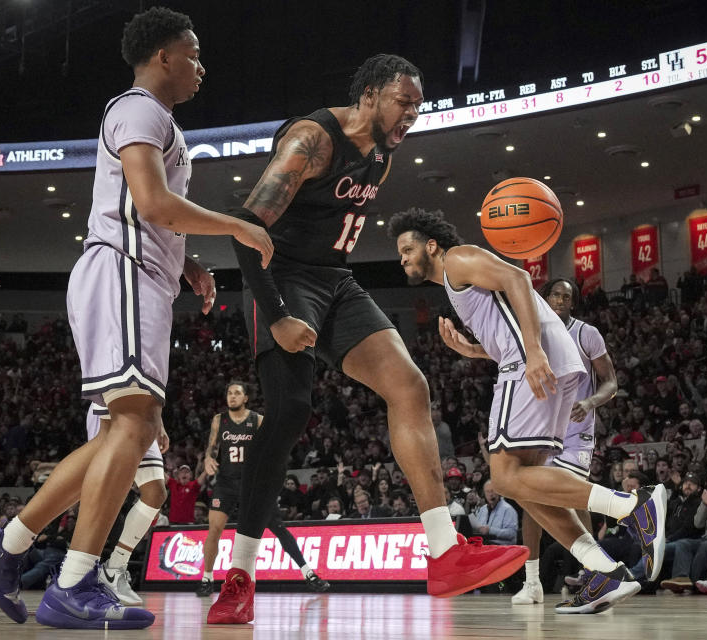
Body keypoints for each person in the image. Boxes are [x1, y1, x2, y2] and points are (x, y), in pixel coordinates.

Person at [0, 8, 272, 630]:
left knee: (117, 434)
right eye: (195, 54)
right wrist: (238, 224)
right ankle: (74, 579)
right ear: (164, 55)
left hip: (139, 275)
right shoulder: (138, 108)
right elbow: (153, 203)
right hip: (123, 273)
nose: (202, 66)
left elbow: (146, 207)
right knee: (133, 422)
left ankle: (6, 545)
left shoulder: (156, 120)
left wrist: (187, 263)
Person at [208, 54, 527, 625]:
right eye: (405, 102)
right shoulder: (312, 139)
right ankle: (239, 576)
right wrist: (277, 313)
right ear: (372, 94)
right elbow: (247, 230)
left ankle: (444, 551)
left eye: (418, 107)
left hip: (335, 280)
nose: (413, 115)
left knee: (410, 385)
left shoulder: (383, 152)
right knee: (289, 413)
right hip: (280, 276)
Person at [388, 208, 668, 615]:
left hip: (531, 364)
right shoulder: (455, 282)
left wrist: (534, 351)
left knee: (504, 477)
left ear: (431, 246)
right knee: (525, 485)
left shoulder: (457, 259)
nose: (402, 258)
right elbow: (508, 330)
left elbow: (518, 278)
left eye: (407, 249)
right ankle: (605, 570)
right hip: (545, 362)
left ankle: (633, 506)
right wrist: (471, 350)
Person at [511, 277, 619, 606]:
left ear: (572, 303)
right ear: (545, 299)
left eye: (566, 297)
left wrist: (589, 403)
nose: (560, 300)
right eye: (555, 295)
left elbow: (610, 382)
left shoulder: (587, 333)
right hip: (540, 430)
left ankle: (595, 573)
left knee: (571, 497)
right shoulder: (533, 333)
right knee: (532, 502)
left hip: (576, 431)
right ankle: (532, 583)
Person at [196, 381, 328, 597]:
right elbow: (212, 446)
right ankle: (206, 578)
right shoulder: (219, 420)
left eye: (237, 393)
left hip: (253, 483)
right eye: (229, 392)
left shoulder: (257, 420)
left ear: (246, 398)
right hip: (226, 483)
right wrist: (209, 458)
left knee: (277, 526)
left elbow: (273, 448)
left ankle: (308, 573)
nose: (232, 396)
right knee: (214, 529)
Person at [86, 403, 167, 605]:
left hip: (146, 413)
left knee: (155, 492)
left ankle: (114, 568)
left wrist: (159, 422)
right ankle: (79, 570)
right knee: (106, 493)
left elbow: (153, 379)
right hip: (112, 405)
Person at [469, 480, 520, 545]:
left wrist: (490, 530)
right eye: (488, 492)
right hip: (484, 547)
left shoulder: (508, 509)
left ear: (499, 492)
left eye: (493, 491)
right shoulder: (482, 509)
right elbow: (477, 529)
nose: (490, 494)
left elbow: (512, 534)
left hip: (502, 550)